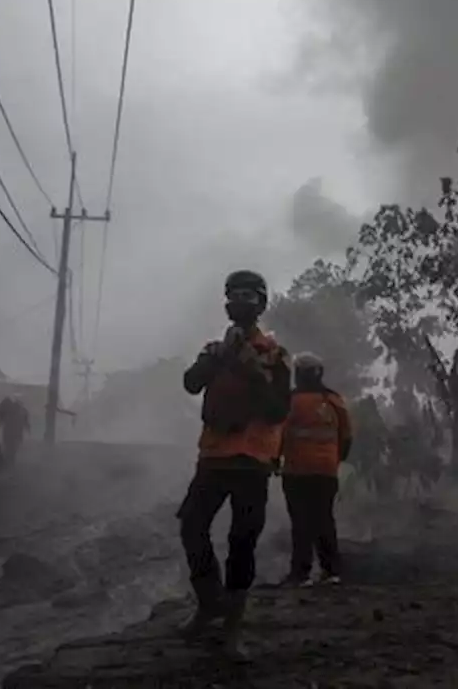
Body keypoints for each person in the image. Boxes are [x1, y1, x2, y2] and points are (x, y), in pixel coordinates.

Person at [176, 269, 292, 659]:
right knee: (191, 524)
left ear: (261, 304)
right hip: (213, 456)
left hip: (253, 461)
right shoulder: (214, 350)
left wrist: (252, 371)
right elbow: (191, 383)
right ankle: (209, 600)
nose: (240, 301)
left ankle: (232, 630)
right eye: (234, 295)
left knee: (242, 543)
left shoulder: (275, 356)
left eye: (248, 295)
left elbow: (279, 411)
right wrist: (221, 357)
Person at [278, 352, 352, 587]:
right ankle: (332, 572)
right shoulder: (334, 400)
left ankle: (301, 574)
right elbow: (347, 436)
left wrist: (273, 460)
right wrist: (335, 460)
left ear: (298, 375)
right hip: (326, 471)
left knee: (300, 523)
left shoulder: (289, 401)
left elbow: (278, 435)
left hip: (296, 471)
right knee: (324, 520)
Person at [0, 394, 31, 469]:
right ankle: (8, 467)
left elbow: (0, 418)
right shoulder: (20, 411)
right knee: (10, 451)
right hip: (13, 435)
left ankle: (7, 467)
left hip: (11, 434)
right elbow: (26, 424)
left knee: (9, 451)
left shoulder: (17, 410)